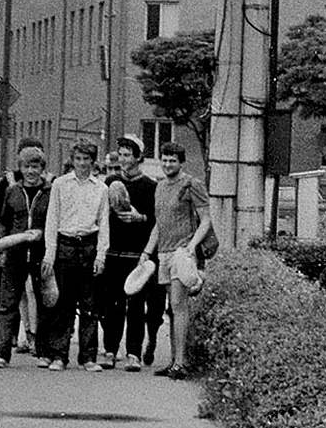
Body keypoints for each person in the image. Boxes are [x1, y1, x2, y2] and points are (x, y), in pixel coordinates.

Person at [139, 142, 211, 380]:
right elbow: (159, 225)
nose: (168, 164)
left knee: (179, 305)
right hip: (164, 254)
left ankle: (181, 363)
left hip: (182, 253)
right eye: (165, 159)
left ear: (181, 163)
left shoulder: (191, 184)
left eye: (173, 160)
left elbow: (206, 220)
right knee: (173, 307)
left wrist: (191, 247)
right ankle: (174, 360)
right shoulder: (160, 187)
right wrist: (147, 252)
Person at [41, 138, 109, 372]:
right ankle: (59, 355)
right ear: (72, 160)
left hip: (89, 245)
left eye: (86, 159)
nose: (82, 164)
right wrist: (50, 254)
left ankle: (88, 357)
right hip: (65, 245)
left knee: (90, 304)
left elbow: (104, 223)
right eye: (78, 159)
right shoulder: (60, 184)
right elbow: (52, 220)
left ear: (93, 161)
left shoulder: (101, 188)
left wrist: (101, 255)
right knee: (63, 303)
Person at [99, 134, 161, 372]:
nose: (124, 159)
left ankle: (133, 353)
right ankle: (109, 351)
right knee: (111, 305)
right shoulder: (110, 182)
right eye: (121, 155)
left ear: (139, 157)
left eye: (128, 155)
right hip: (114, 252)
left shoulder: (150, 186)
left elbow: (157, 222)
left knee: (136, 305)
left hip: (138, 255)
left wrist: (139, 217)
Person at [0, 146, 52, 368]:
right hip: (15, 254)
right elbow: (5, 221)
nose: (31, 171)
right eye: (26, 167)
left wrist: (44, 238)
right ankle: (0, 354)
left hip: (40, 254)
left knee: (44, 305)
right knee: (8, 304)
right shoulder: (12, 192)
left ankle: (44, 352)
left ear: (43, 169)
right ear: (20, 169)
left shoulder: (50, 192)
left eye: (35, 167)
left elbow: (54, 223)